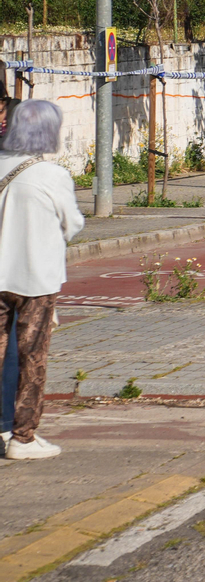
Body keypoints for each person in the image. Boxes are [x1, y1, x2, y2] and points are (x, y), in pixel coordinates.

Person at [0, 101, 84, 461]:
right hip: (35, 279)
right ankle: (23, 437)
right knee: (32, 358)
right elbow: (73, 224)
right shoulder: (52, 174)